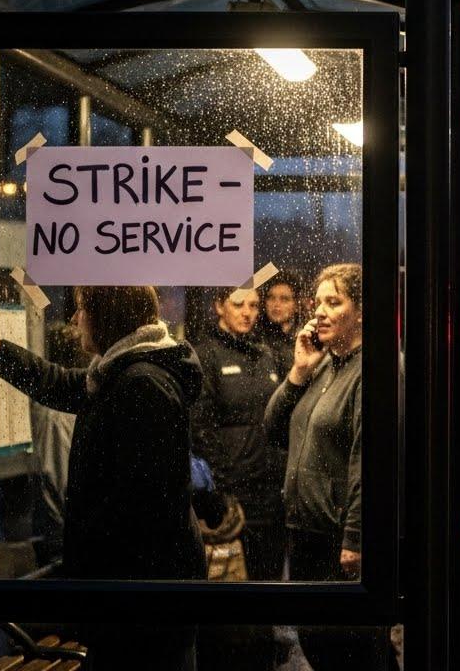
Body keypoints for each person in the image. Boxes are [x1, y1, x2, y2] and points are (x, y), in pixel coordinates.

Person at [0, 288, 206, 670]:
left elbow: (143, 510)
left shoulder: (142, 383)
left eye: (82, 309)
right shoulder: (123, 371)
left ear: (108, 317)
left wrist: (84, 561)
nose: (74, 319)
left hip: (141, 609)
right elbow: (60, 383)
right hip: (136, 599)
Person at [264, 263, 393, 670]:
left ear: (362, 311)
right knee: (319, 647)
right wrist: (298, 371)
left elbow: (368, 460)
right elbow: (274, 430)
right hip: (307, 534)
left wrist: (356, 537)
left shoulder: (372, 370)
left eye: (333, 302)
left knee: (350, 654)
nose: (318, 311)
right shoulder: (321, 365)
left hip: (340, 543)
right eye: (317, 301)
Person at [189, 287, 287, 670]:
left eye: (252, 305)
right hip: (233, 499)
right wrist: (223, 493)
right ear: (218, 306)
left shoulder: (265, 354)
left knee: (266, 593)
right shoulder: (205, 355)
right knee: (230, 603)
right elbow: (201, 429)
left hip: (270, 494)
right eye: (237, 305)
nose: (247, 313)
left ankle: (263, 661)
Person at [256, 269, 306, 379]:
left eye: (285, 299)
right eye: (271, 298)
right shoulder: (256, 339)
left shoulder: (306, 338)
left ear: (297, 305)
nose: (276, 304)